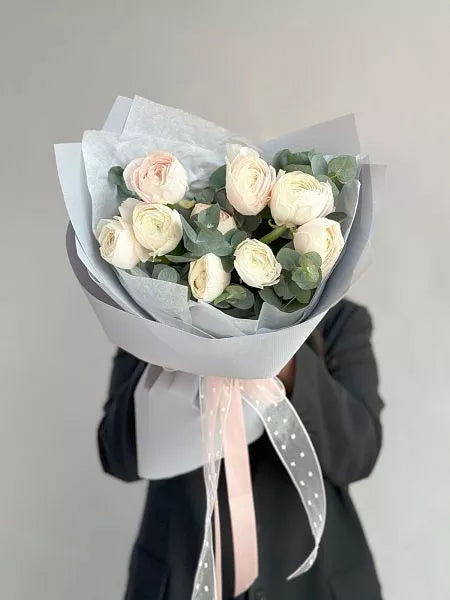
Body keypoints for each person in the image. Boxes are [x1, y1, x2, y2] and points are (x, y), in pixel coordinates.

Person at [98, 298, 384, 600]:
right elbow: (117, 456)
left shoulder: (339, 320)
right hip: (181, 574)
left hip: (313, 582)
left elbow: (358, 455)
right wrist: (174, 350)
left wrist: (281, 357)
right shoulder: (147, 315)